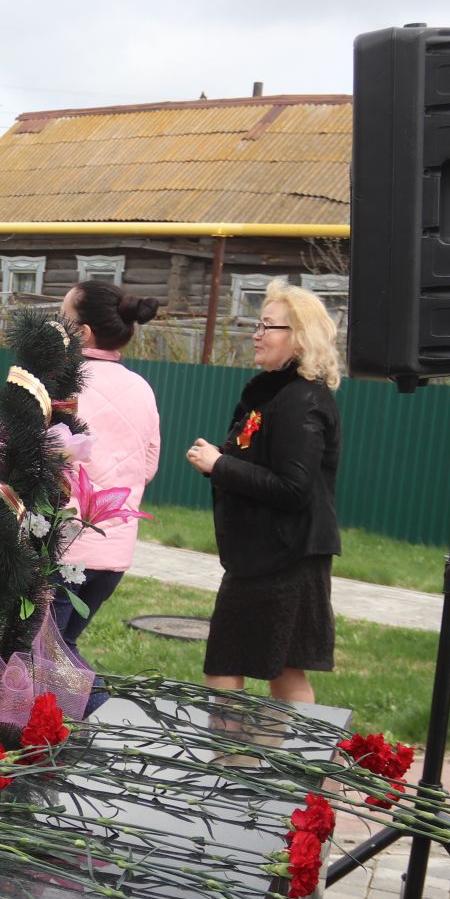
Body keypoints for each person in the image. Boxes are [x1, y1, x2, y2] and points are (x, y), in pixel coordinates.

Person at [186, 280, 343, 703]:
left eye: (269, 326)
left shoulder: (300, 401)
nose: (257, 333)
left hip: (284, 558)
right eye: (258, 323)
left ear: (299, 339)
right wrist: (222, 461)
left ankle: (236, 761)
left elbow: (294, 488)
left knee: (228, 664)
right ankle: (285, 764)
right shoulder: (276, 394)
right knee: (281, 668)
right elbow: (264, 466)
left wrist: (221, 465)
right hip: (271, 553)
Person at [49, 281, 161, 642]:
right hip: (114, 554)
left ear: (82, 333)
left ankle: (96, 699)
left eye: (61, 317)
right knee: (59, 649)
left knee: (45, 657)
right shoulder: (142, 388)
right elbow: (148, 466)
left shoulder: (62, 386)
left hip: (63, 547)